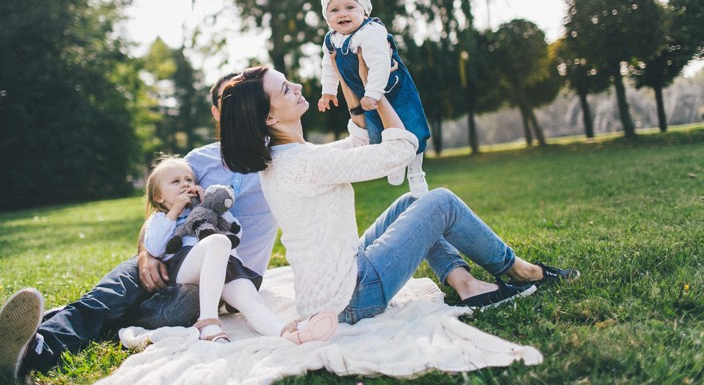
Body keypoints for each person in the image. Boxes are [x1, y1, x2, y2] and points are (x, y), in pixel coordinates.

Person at [219, 65, 579, 326]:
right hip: (354, 297)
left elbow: (357, 142)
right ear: (268, 117)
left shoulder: (285, 159)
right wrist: (378, 94)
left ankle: (466, 284)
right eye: (285, 89)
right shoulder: (305, 164)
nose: (297, 86)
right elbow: (401, 148)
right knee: (441, 202)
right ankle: (520, 270)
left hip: (330, 295)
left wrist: (352, 82)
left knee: (411, 203)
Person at [0, 73, 278, 382]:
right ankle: (40, 345)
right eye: (226, 103)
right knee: (114, 290)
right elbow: (160, 212)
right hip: (172, 256)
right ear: (217, 113)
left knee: (171, 311)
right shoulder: (196, 161)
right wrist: (145, 256)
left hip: (227, 280)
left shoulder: (278, 158)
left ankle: (67, 318)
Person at [142, 155, 337, 344]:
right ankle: (207, 323)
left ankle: (288, 334)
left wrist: (213, 208)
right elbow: (156, 248)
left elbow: (236, 232)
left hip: (223, 266)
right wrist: (175, 212)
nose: (185, 184)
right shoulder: (160, 219)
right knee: (218, 242)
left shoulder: (206, 210)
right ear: (158, 196)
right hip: (185, 269)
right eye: (175, 181)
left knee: (251, 301)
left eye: (189, 179)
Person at [318, 0, 430, 197]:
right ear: (326, 17)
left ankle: (416, 171)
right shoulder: (332, 40)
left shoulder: (371, 31)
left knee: (411, 127)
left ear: (365, 12)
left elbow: (380, 64)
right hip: (365, 94)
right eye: (334, 10)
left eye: (350, 7)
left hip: (393, 89)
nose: (342, 14)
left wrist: (373, 93)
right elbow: (328, 66)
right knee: (377, 132)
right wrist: (328, 91)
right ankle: (396, 162)